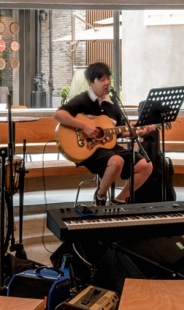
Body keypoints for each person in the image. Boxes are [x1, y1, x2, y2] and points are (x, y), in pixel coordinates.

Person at [55, 62, 152, 204]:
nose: (107, 83)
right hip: (88, 149)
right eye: (102, 80)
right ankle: (100, 195)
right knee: (116, 161)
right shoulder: (83, 99)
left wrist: (138, 132)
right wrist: (84, 126)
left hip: (109, 147)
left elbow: (119, 132)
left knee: (146, 166)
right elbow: (59, 115)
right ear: (91, 83)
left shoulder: (112, 103)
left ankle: (119, 200)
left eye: (108, 78)